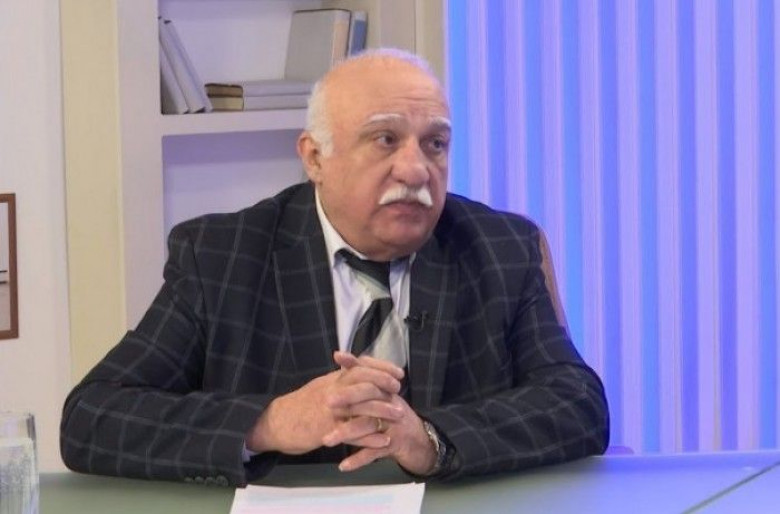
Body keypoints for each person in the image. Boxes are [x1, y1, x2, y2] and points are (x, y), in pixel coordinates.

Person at [60, 48, 609, 487]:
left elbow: (578, 405)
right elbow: (92, 418)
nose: (416, 169)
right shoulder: (222, 255)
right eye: (385, 139)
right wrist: (269, 422)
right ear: (314, 157)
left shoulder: (499, 247)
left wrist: (429, 440)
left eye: (435, 144)